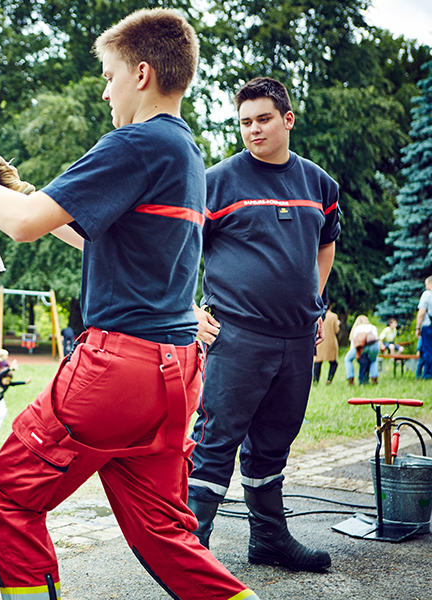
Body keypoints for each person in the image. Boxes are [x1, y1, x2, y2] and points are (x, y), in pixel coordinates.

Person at [0, 8, 259, 600]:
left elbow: (22, 227)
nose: (104, 90)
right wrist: (22, 192)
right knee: (164, 533)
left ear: (142, 74)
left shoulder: (133, 142)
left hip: (117, 371)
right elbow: (87, 231)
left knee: (10, 493)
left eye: (108, 75)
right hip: (175, 371)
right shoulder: (184, 151)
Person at [189, 77, 338, 572]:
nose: (253, 130)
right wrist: (190, 311)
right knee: (215, 442)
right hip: (236, 337)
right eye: (245, 122)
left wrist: (315, 301)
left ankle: (269, 540)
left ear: (287, 119)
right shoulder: (218, 181)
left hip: (297, 339)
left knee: (275, 440)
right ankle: (191, 551)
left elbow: (325, 243)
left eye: (263, 119)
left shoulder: (320, 185)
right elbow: (176, 249)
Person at [345, 315, 380, 385]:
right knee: (374, 360)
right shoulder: (373, 327)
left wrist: (355, 352)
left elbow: (355, 342)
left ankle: (350, 379)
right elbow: (376, 338)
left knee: (347, 359)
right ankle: (374, 380)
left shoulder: (357, 328)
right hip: (374, 346)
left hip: (363, 347)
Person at [313, 308, 340, 384]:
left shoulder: (317, 314)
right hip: (331, 342)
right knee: (333, 363)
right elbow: (336, 330)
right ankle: (329, 380)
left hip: (320, 342)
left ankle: (315, 380)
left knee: (318, 362)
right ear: (330, 306)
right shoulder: (333, 316)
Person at [416, 276, 432, 378]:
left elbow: (422, 312)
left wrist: (418, 327)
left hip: (428, 326)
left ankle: (428, 374)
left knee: (428, 350)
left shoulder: (427, 294)